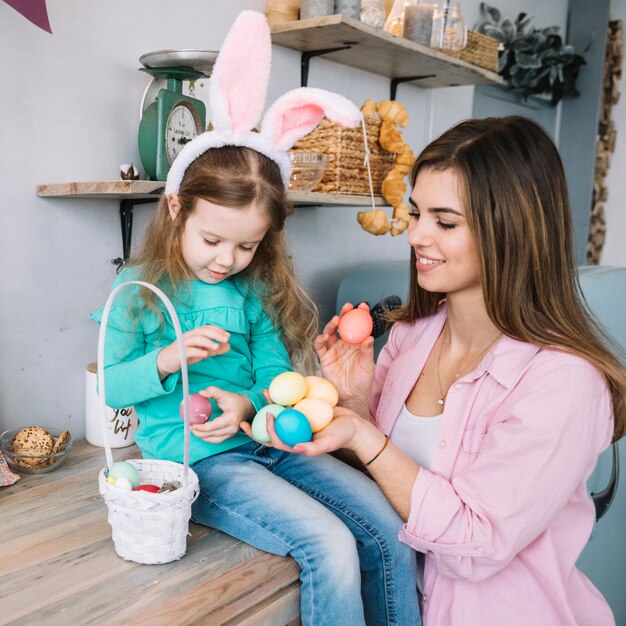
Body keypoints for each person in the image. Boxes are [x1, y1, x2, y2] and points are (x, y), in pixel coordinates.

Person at [91, 11, 420, 626]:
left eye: (247, 246)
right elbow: (112, 385)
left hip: (271, 438)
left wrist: (249, 405)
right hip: (201, 463)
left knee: (386, 525)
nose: (228, 260)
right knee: (328, 545)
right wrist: (168, 358)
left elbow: (274, 375)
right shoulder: (138, 288)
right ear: (175, 207)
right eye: (213, 240)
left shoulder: (253, 288)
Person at [272, 116, 626, 626]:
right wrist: (353, 403)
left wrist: (366, 439)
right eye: (417, 213)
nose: (416, 234)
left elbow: (473, 544)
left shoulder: (563, 381)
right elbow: (381, 490)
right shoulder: (413, 337)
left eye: (445, 221)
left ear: (511, 228)